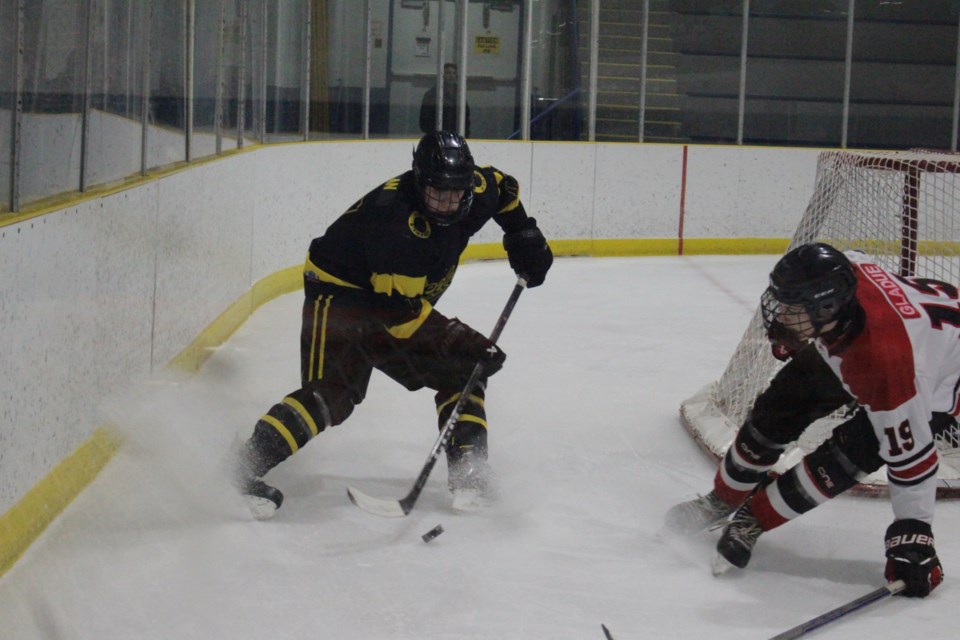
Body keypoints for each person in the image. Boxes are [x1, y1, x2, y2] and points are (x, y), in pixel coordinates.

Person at [232, 131, 553, 519]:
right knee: (332, 394)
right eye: (437, 193)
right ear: (419, 182)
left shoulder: (474, 190)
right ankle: (239, 469)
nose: (448, 204)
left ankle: (470, 472)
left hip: (394, 299)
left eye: (456, 193)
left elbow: (504, 187)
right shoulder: (396, 226)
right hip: (342, 293)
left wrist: (523, 232)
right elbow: (394, 316)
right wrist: (456, 338)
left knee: (464, 370)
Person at [666, 242, 953, 598]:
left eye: (793, 309)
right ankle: (721, 500)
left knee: (847, 458)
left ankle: (752, 520)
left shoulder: (887, 366)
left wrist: (913, 536)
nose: (781, 315)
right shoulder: (845, 279)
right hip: (879, 340)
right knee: (778, 409)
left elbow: (913, 462)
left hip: (939, 384)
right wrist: (800, 328)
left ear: (828, 307)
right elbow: (855, 257)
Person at [420, 63, 471, 137]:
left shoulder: (460, 94)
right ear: (442, 76)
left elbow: (466, 117)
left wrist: (465, 134)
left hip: (456, 136)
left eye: (454, 73)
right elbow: (425, 119)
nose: (451, 76)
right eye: (448, 73)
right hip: (436, 136)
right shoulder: (432, 94)